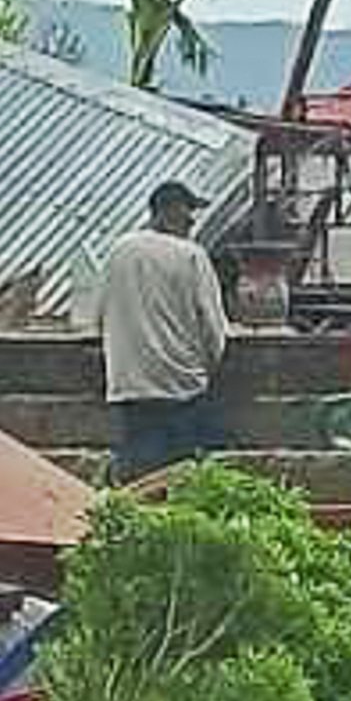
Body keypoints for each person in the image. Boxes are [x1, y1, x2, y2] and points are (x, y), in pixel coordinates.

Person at [96, 178, 231, 483]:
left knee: (138, 470)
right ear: (169, 211)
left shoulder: (119, 250)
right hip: (181, 385)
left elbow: (99, 315)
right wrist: (210, 367)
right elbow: (213, 327)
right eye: (188, 211)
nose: (192, 221)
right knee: (180, 473)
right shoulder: (191, 255)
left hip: (130, 385)